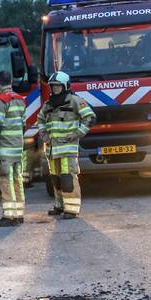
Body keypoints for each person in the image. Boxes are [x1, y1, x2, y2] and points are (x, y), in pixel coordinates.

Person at [37, 71, 95, 219]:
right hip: (52, 150)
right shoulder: (48, 104)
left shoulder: (75, 101)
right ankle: (59, 205)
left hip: (67, 150)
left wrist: (77, 133)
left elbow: (90, 117)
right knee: (56, 180)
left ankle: (71, 209)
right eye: (53, 86)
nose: (55, 89)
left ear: (65, 86)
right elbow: (41, 120)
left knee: (68, 179)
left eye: (58, 86)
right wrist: (44, 135)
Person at [0, 71, 27, 227]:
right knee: (18, 180)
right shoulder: (19, 99)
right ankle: (19, 214)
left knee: (5, 180)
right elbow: (23, 124)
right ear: (10, 81)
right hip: (18, 148)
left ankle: (9, 216)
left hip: (4, 149)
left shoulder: (0, 101)